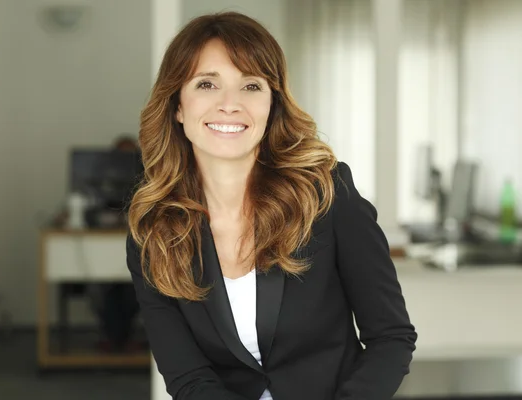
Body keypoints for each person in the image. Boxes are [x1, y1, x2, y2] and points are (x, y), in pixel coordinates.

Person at [126, 11, 417, 400]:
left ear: (272, 104)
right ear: (178, 106)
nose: (230, 105)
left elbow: (391, 338)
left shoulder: (327, 196)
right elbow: (188, 377)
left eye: (251, 86)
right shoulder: (154, 231)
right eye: (207, 84)